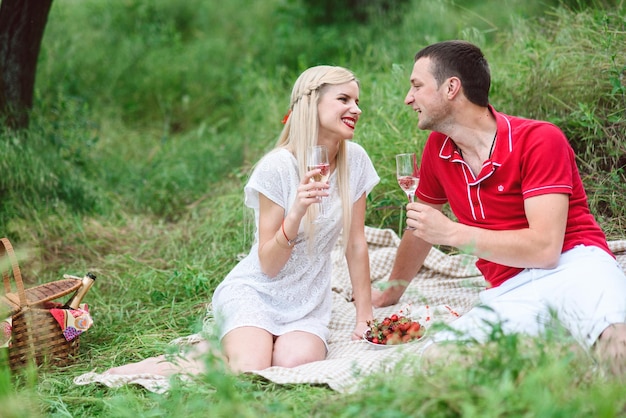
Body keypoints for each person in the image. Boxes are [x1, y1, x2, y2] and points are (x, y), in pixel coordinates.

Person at [371, 40, 626, 375]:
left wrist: (451, 232)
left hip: (574, 264)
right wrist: (391, 292)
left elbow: (545, 249)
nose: (409, 98)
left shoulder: (538, 140)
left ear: (451, 87)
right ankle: (558, 358)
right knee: (439, 362)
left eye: (417, 86)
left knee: (616, 344)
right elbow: (420, 231)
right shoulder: (438, 149)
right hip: (509, 288)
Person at [106, 65, 379, 377]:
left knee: (295, 363)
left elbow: (356, 244)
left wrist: (364, 317)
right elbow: (269, 264)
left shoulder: (355, 161)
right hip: (258, 291)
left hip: (308, 301)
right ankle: (188, 357)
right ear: (312, 104)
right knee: (251, 366)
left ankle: (232, 346)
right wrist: (297, 211)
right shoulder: (276, 167)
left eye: (357, 101)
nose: (355, 109)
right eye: (344, 99)